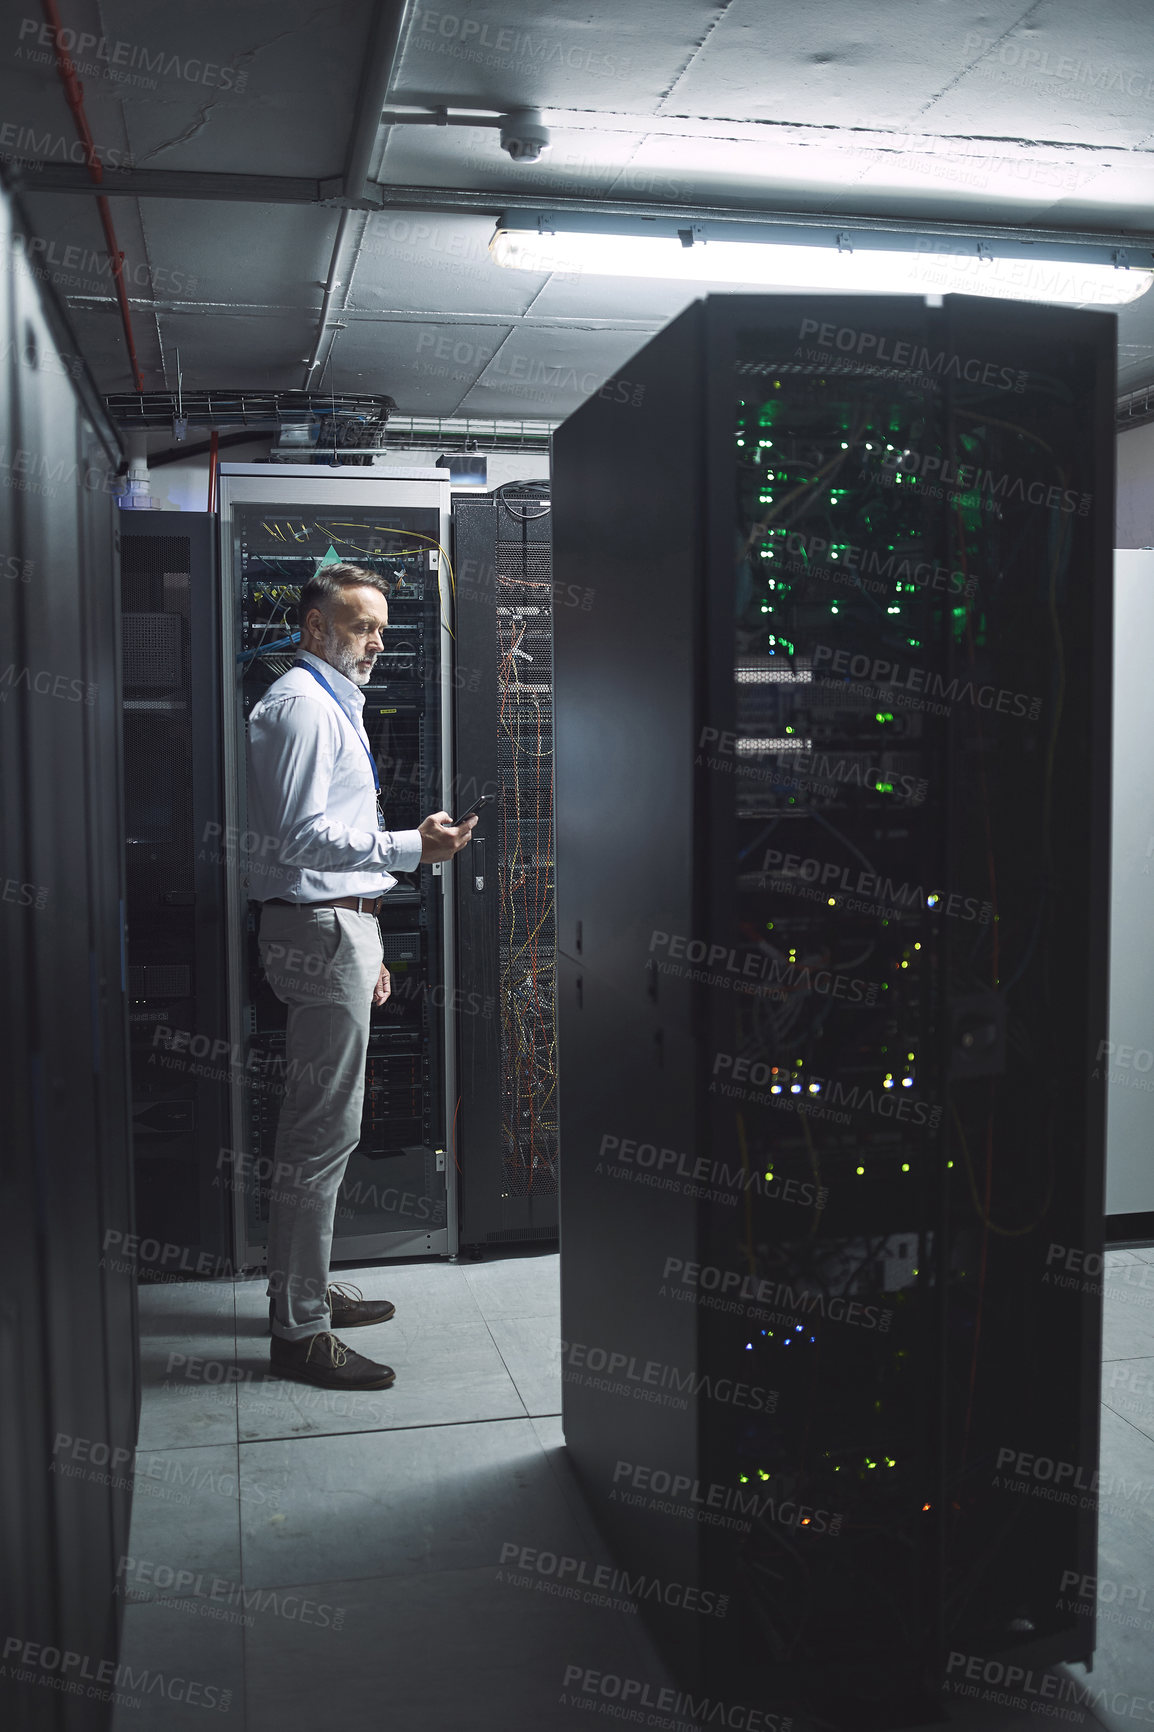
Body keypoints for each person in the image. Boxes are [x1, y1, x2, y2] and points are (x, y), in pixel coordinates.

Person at [246, 561, 475, 1391]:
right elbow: (302, 841)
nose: (375, 640)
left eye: (380, 627)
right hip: (319, 930)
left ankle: (300, 1294)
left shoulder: (330, 703)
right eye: (357, 625)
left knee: (324, 1130)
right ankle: (299, 1330)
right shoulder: (304, 708)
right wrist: (415, 848)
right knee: (320, 1134)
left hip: (336, 930)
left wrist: (365, 941)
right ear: (314, 628)